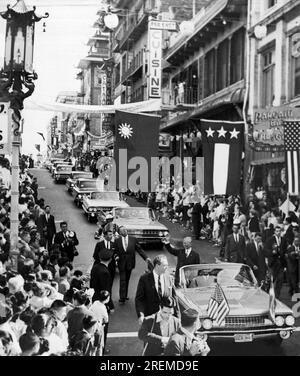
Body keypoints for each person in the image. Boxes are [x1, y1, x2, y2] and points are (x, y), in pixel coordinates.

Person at [115, 226, 152, 304]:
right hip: (121, 263)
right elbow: (115, 251)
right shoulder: (117, 241)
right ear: (120, 233)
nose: (124, 231)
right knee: (122, 280)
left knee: (127, 279)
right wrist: (116, 256)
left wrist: (146, 258)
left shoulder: (133, 239)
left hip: (130, 263)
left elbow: (139, 249)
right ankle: (122, 298)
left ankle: (125, 295)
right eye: (122, 231)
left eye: (125, 229)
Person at [135, 255, 175, 324]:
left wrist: (177, 317)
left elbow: (174, 297)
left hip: (166, 318)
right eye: (165, 265)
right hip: (150, 318)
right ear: (157, 265)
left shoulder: (169, 278)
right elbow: (139, 299)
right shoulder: (144, 279)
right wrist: (141, 315)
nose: (167, 268)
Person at [264, 225, 287, 298]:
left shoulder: (283, 240)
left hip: (281, 263)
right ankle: (268, 293)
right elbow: (266, 250)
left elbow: (285, 250)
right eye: (277, 231)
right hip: (273, 262)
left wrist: (285, 264)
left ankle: (277, 296)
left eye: (279, 231)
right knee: (272, 280)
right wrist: (272, 252)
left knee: (280, 280)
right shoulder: (270, 240)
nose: (278, 232)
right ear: (274, 232)